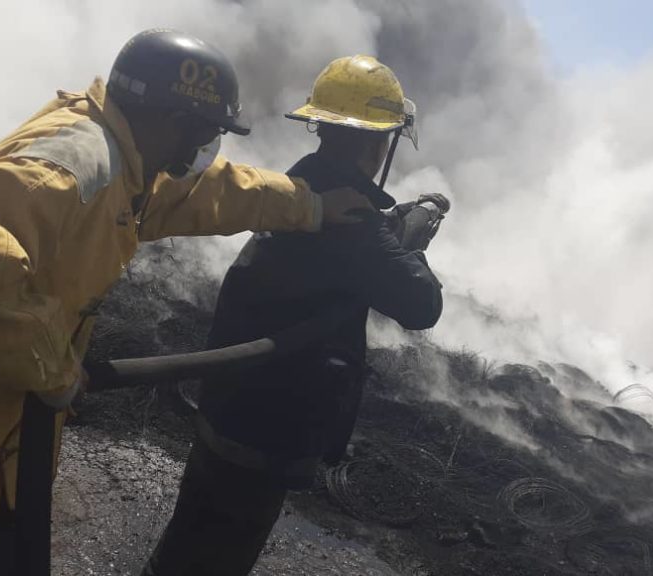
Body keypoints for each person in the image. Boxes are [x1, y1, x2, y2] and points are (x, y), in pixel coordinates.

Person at [0, 30, 374, 574]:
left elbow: (206, 193)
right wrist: (54, 368)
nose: (206, 148)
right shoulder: (76, 166)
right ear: (176, 123)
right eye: (206, 132)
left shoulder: (126, 160)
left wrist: (312, 206)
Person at [141, 55, 448, 576]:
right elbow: (423, 305)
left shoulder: (298, 186)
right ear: (379, 143)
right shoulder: (354, 226)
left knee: (189, 541)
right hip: (270, 426)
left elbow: (332, 260)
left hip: (227, 403)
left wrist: (385, 234)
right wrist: (410, 248)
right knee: (218, 555)